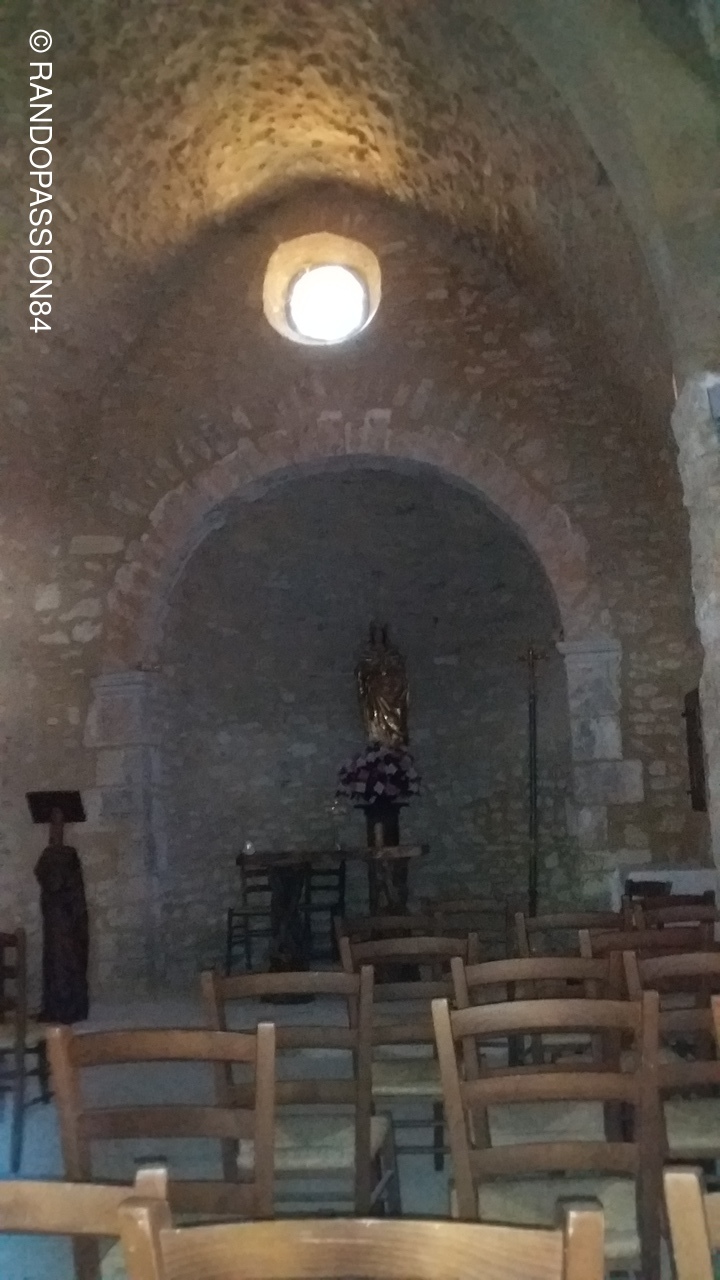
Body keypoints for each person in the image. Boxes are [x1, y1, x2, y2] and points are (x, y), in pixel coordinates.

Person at [34, 806, 89, 1023]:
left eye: (58, 824)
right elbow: (43, 875)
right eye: (53, 825)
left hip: (67, 916)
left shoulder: (67, 854)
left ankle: (68, 1008)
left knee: (67, 963)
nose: (55, 830)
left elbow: (60, 883)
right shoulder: (49, 855)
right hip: (54, 917)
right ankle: (56, 1006)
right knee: (54, 963)